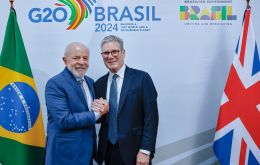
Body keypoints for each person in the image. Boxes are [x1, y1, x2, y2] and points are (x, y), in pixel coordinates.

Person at [94, 35, 159, 165]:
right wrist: (96, 112)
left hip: (135, 151)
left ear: (123, 53)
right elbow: (101, 118)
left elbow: (151, 118)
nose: (110, 56)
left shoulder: (142, 78)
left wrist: (145, 151)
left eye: (114, 51)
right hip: (107, 150)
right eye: (106, 53)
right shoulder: (99, 83)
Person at [44, 42, 109, 165]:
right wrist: (97, 113)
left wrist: (102, 107)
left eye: (85, 58)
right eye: (76, 58)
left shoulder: (90, 82)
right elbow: (64, 120)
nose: (81, 62)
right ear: (65, 60)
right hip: (64, 154)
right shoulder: (55, 84)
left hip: (87, 152)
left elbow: (92, 116)